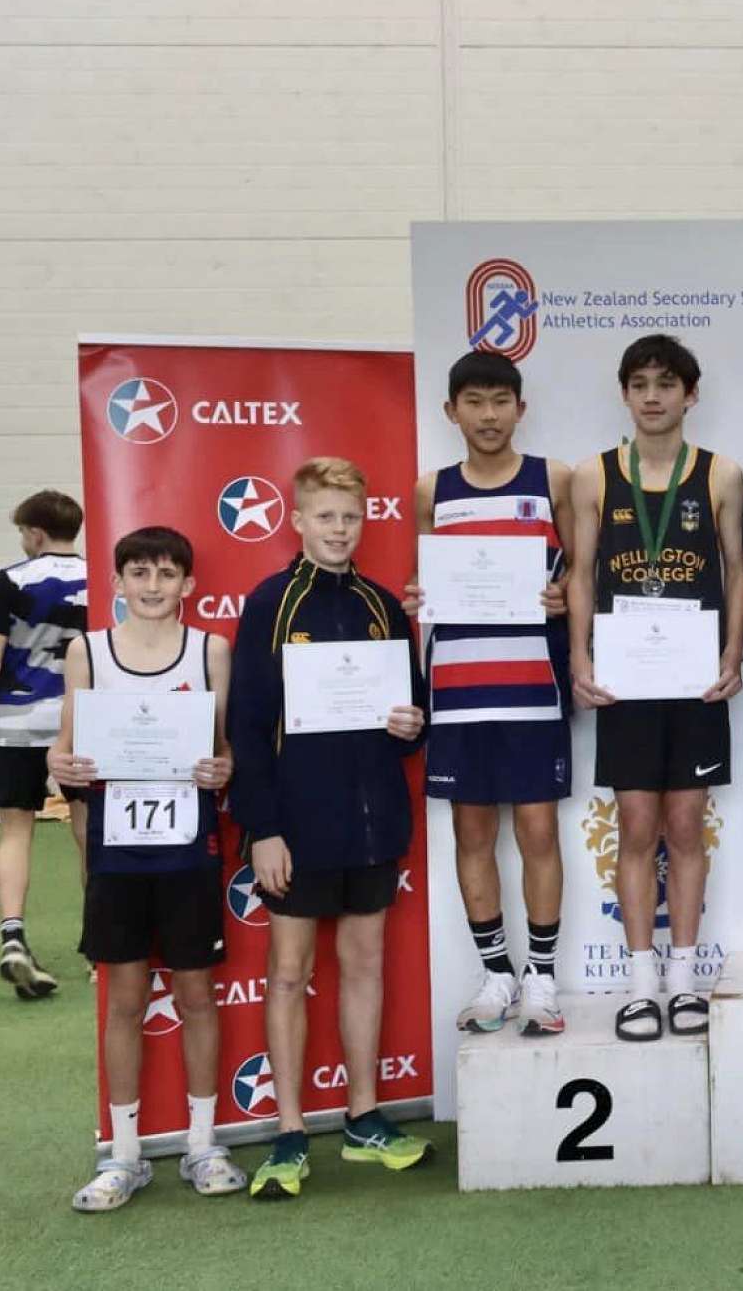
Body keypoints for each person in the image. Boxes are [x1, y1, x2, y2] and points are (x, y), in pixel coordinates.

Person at [227, 457, 431, 1198]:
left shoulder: (382, 606)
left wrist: (411, 725)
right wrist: (264, 829)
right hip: (296, 824)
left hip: (372, 818)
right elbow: (248, 726)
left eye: (350, 517)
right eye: (326, 517)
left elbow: (410, 714)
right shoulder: (270, 603)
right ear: (298, 520)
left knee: (365, 964)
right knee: (288, 972)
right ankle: (287, 1131)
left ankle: (363, 1117)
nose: (339, 530)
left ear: (364, 520)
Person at [49, 526, 247, 1209]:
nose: (153, 586)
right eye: (139, 573)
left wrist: (222, 769)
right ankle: (125, 1155)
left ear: (188, 584)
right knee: (125, 1001)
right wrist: (61, 763)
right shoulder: (88, 651)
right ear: (118, 582)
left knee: (196, 997)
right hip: (117, 853)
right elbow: (64, 748)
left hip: (189, 851)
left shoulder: (210, 649)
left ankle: (203, 1144)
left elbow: (223, 750)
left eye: (166, 574)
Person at [568, 335, 743, 1040]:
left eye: (666, 384)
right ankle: (641, 982)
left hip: (694, 677)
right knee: (637, 827)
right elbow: (581, 574)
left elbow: (737, 570)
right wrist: (579, 657)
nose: (652, 396)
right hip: (627, 677)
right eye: (640, 384)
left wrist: (733, 650)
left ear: (690, 395)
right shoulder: (593, 476)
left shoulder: (721, 473)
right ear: (624, 394)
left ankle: (684, 978)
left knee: (687, 827)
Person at [410, 351, 574, 1039]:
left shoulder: (553, 478)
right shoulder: (432, 490)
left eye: (500, 401)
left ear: (520, 408)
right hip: (458, 689)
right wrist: (420, 596)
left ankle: (541, 976)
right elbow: (427, 581)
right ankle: (496, 973)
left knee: (538, 832)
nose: (488, 415)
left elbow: (579, 574)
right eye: (474, 402)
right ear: (451, 411)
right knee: (471, 834)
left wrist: (565, 599)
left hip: (532, 688)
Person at [0, 489, 88, 998]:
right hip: (80, 720)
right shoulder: (100, 578)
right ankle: (100, 950)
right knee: (88, 831)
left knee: (15, 832)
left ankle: (13, 936)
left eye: (22, 532)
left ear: (35, 533)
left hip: (15, 722)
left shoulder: (10, 580)